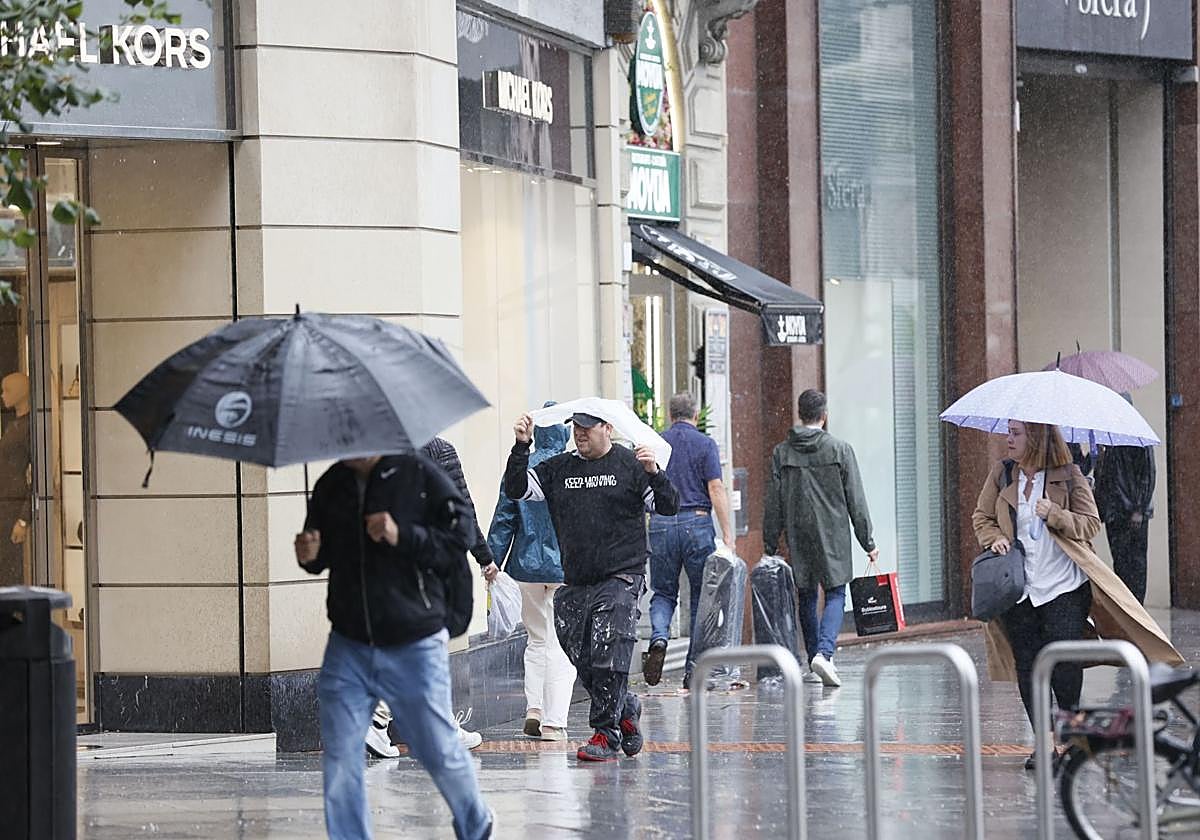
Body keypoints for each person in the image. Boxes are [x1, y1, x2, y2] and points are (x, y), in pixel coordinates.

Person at [295, 453, 493, 840]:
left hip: (413, 642)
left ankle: (475, 824)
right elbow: (322, 555)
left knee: (436, 747)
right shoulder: (332, 484)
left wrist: (401, 534)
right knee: (340, 758)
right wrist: (310, 555)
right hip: (348, 644)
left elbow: (458, 540)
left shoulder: (421, 476)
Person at [973, 420, 1183, 771]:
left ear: (1036, 437)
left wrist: (1054, 514)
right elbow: (982, 517)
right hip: (1018, 588)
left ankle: (1067, 738)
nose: (1008, 439)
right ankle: (1044, 743)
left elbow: (1090, 524)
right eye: (1008, 431)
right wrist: (994, 537)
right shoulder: (1002, 474)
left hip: (1063, 587)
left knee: (1064, 663)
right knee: (1028, 663)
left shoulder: (1068, 475)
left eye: (1017, 432)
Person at [503, 409, 679, 762]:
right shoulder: (559, 468)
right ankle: (625, 707)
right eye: (576, 429)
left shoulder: (630, 465)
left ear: (608, 429)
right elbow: (517, 489)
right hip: (575, 579)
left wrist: (655, 473)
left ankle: (605, 733)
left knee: (609, 648)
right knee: (579, 652)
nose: (580, 435)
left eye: (587, 428)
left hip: (622, 574)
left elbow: (668, 506)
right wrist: (522, 447)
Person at [364, 436, 491, 759]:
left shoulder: (377, 451)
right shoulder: (439, 450)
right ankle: (377, 720)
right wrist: (484, 556)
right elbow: (462, 508)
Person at [762, 389, 877, 688]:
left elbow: (773, 501)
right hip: (834, 533)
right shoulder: (840, 450)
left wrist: (769, 542)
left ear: (800, 414)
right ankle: (824, 654)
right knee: (836, 592)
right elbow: (856, 500)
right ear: (824, 416)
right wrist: (868, 541)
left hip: (798, 533)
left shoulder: (782, 452)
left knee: (807, 595)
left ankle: (815, 655)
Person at [484, 411, 575, 741]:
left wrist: (492, 560)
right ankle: (554, 721)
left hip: (525, 567)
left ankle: (534, 708)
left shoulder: (521, 468)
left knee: (536, 640)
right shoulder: (571, 469)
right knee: (561, 643)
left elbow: (504, 517)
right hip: (566, 568)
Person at [643, 392, 735, 688]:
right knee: (701, 595)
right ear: (696, 415)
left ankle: (659, 636)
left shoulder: (656, 443)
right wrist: (728, 535)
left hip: (660, 522)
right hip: (696, 522)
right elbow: (716, 488)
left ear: (670, 415)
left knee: (663, 592)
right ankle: (693, 669)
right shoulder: (705, 444)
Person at [1093, 408, 1155, 604]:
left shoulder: (1136, 436)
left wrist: (1139, 508)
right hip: (1114, 513)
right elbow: (1104, 476)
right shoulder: (1107, 440)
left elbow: (1147, 475)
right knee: (1120, 563)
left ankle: (1137, 608)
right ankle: (1127, 608)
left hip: (1132, 513)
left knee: (1135, 566)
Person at [0, 371, 31, 585]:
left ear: (22, 392)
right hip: (6, 503)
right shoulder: (14, 424)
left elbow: (36, 475)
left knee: (12, 572)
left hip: (15, 506)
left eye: (7, 390)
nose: (3, 395)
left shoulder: (30, 426)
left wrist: (23, 518)